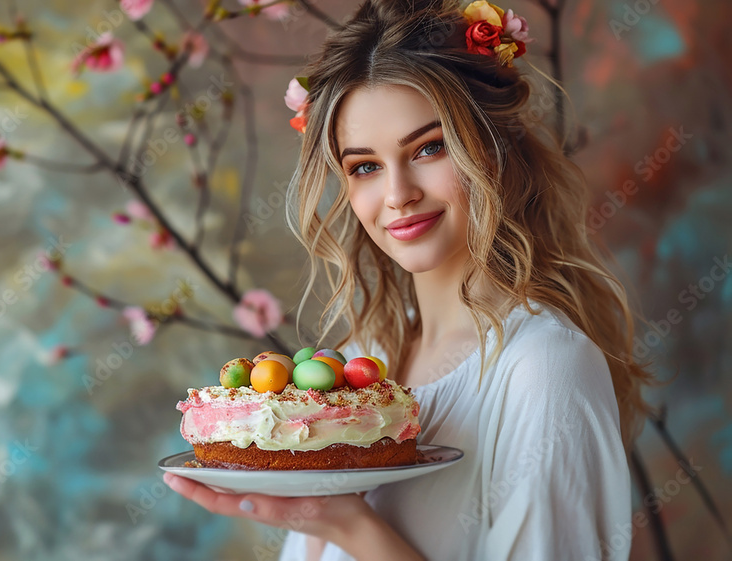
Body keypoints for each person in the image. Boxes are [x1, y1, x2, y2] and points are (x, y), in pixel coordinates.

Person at [163, 0, 657, 559]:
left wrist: (351, 525)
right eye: (365, 166)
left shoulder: (544, 369)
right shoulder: (360, 364)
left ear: (493, 150)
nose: (398, 195)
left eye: (429, 147)